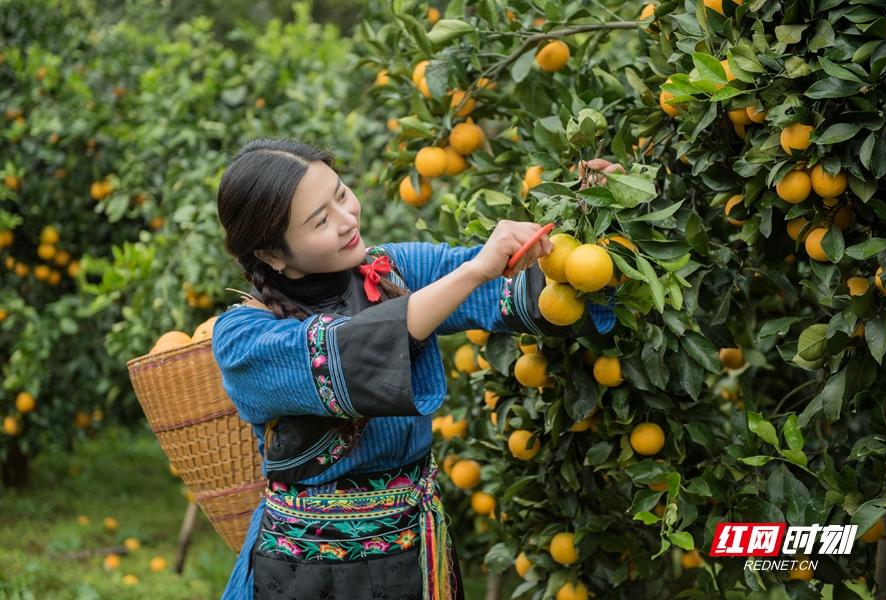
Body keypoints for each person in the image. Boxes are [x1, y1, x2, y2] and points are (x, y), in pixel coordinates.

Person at [211, 138, 618, 599]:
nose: (347, 221)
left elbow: (510, 287)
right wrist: (470, 275)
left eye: (341, 194)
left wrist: (592, 218)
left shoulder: (392, 271)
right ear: (272, 254)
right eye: (321, 220)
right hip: (304, 576)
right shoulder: (243, 338)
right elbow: (342, 354)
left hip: (413, 559)